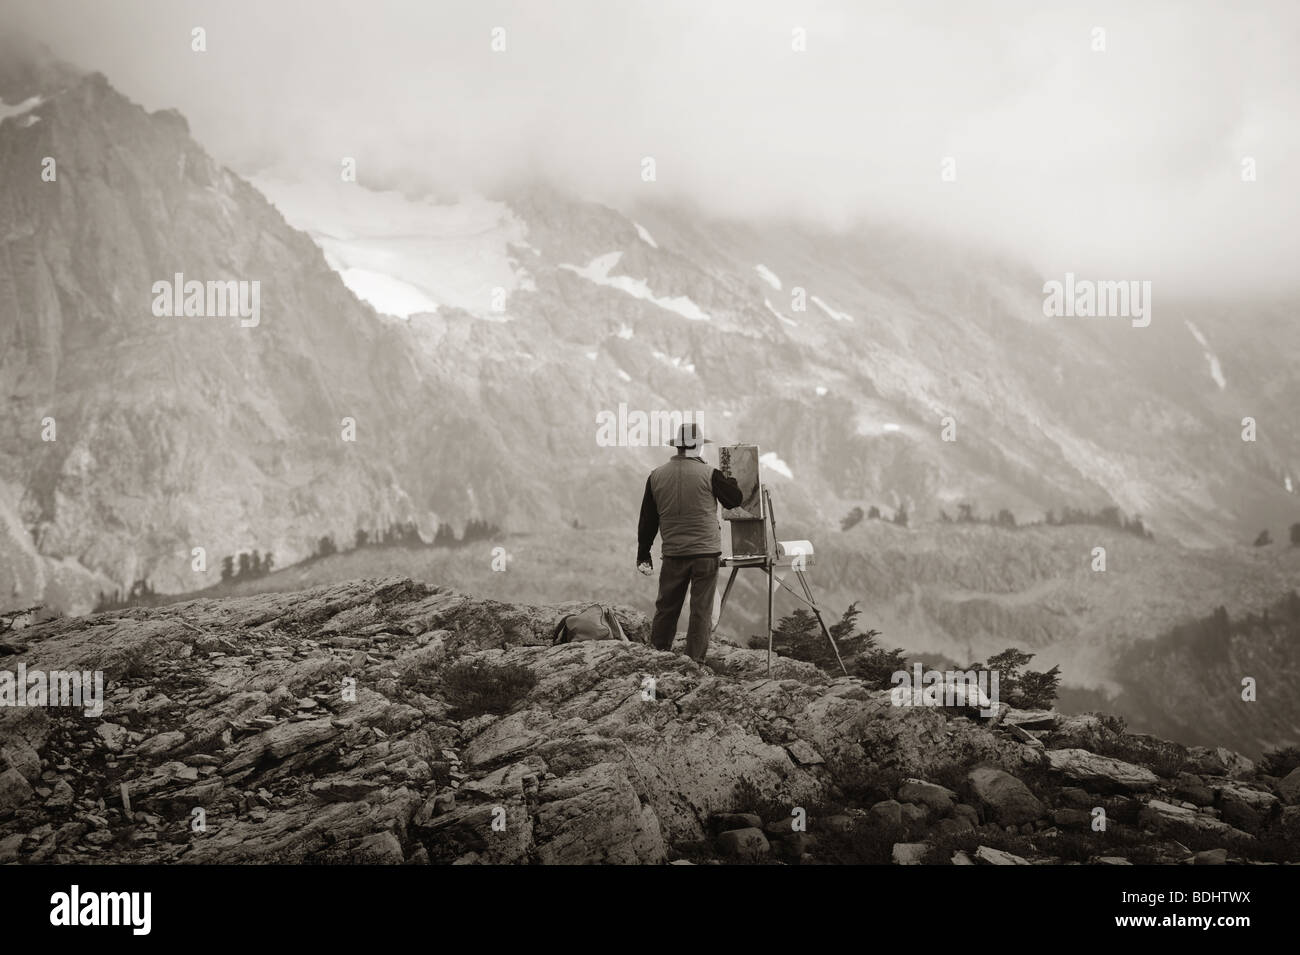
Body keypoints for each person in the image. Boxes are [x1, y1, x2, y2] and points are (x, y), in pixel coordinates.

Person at [636, 422, 743, 662]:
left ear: (678, 446)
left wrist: (643, 554)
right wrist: (731, 479)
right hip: (705, 553)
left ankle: (659, 655)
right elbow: (734, 500)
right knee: (701, 610)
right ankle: (694, 661)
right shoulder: (710, 474)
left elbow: (648, 521)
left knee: (667, 608)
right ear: (697, 446)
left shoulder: (656, 476)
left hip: (673, 553)